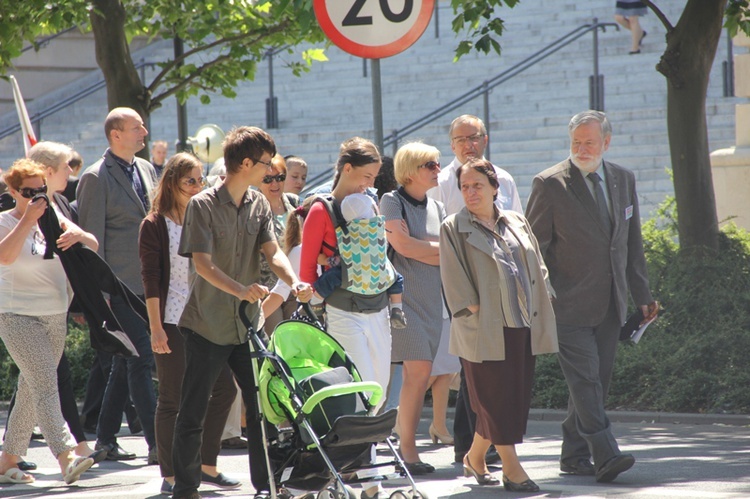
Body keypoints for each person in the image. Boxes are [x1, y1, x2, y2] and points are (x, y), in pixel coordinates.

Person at [172, 126, 313, 499]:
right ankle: (185, 490)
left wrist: (294, 280)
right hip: (206, 324)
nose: (271, 171)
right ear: (247, 163)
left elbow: (273, 252)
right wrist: (241, 290)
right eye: (267, 163)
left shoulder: (259, 204)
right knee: (193, 411)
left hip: (248, 326)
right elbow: (202, 265)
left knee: (262, 407)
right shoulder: (201, 205)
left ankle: (267, 485)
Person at [525, 110, 659, 483]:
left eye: (589, 142)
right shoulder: (549, 184)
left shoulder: (622, 179)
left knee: (595, 381)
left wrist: (642, 294)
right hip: (566, 304)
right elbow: (533, 249)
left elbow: (631, 244)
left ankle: (573, 455)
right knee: (586, 381)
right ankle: (605, 454)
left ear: (606, 142)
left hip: (612, 303)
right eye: (575, 143)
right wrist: (542, 296)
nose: (582, 149)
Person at [440, 158, 558, 493]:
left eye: (477, 185)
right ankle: (512, 468)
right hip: (483, 328)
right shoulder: (454, 227)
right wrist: (474, 308)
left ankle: (475, 458)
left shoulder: (517, 221)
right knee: (495, 399)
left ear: (495, 187)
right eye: (464, 187)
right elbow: (452, 278)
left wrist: (545, 295)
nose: (470, 192)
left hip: (522, 322)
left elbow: (537, 264)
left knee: (512, 399)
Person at [139, 152, 239, 496]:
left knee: (225, 389)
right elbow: (151, 280)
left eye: (201, 180)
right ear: (172, 183)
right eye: (190, 181)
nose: (198, 187)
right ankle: (170, 473)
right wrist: (155, 327)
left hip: (207, 320)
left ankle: (205, 465)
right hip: (171, 320)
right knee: (172, 398)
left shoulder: (205, 215)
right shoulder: (154, 224)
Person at [426, 114, 522, 465]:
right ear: (451, 145)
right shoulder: (442, 181)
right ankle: (473, 443)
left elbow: (518, 230)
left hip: (504, 290)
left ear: (485, 140)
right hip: (462, 286)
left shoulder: (505, 179)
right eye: (461, 139)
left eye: (474, 137)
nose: (468, 144)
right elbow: (435, 236)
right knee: (474, 365)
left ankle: (478, 444)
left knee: (491, 368)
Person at [3, 142, 105, 470]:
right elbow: (4, 256)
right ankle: (66, 454)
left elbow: (92, 242)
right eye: (29, 191)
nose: (37, 196)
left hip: (54, 311)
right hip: (16, 314)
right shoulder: (6, 221)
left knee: (32, 388)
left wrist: (78, 236)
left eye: (41, 189)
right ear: (13, 191)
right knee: (46, 381)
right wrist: (28, 219)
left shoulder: (53, 215)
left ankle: (7, 460)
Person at [300, 137, 390, 499]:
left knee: (378, 392)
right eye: (365, 176)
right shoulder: (320, 210)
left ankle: (359, 473)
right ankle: (369, 481)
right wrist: (307, 291)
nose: (369, 185)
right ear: (347, 169)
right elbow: (306, 268)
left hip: (378, 306)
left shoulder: (367, 203)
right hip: (342, 311)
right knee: (361, 393)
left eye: (374, 179)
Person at [76, 106, 159, 463]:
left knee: (126, 362)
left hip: (149, 284)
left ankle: (106, 439)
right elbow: (90, 242)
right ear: (116, 135)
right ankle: (159, 443)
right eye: (136, 126)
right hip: (117, 287)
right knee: (141, 356)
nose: (144, 131)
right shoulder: (96, 177)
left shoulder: (147, 168)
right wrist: (100, 296)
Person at [380, 142, 445, 474]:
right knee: (417, 372)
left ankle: (400, 443)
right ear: (410, 170)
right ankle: (407, 450)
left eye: (437, 164)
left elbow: (452, 251)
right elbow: (401, 245)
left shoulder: (438, 207)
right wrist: (433, 248)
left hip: (434, 302)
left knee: (420, 377)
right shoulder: (391, 201)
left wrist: (422, 248)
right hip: (402, 302)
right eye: (430, 165)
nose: (437, 169)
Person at [312, 192, 407, 329]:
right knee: (397, 278)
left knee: (330, 279)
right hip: (379, 276)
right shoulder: (378, 227)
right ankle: (397, 309)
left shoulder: (349, 230)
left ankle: (315, 302)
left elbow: (344, 258)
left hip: (352, 277)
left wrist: (327, 261)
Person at [258, 154, 300, 332]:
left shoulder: (293, 202)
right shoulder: (253, 208)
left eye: (280, 177)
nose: (274, 184)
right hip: (267, 291)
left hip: (294, 288)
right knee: (274, 346)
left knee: (294, 344)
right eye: (268, 179)